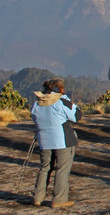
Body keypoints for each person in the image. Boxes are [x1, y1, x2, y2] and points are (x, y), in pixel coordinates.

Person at [29, 78, 82, 207]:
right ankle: (59, 199)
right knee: (62, 169)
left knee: (45, 168)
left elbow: (34, 118)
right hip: (62, 140)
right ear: (61, 89)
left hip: (44, 140)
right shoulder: (61, 102)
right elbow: (77, 116)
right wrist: (67, 99)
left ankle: (38, 197)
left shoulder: (36, 104)